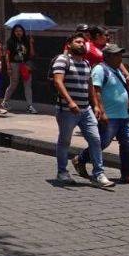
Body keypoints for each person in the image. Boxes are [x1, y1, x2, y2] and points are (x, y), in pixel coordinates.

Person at [73, 44, 129, 186]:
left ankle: (126, 174)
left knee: (126, 145)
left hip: (123, 116)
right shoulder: (100, 69)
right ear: (108, 57)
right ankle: (81, 159)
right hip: (109, 115)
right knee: (103, 142)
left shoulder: (117, 71)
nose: (120, 58)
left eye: (120, 55)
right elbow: (95, 91)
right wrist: (101, 111)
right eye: (117, 55)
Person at [52, 33, 113, 187]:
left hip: (86, 111)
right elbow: (58, 82)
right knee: (65, 141)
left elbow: (90, 86)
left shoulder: (86, 63)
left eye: (83, 42)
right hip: (67, 111)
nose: (81, 44)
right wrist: (70, 102)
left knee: (96, 140)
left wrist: (96, 105)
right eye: (78, 42)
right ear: (69, 44)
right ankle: (62, 172)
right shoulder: (62, 60)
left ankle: (98, 174)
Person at [2, 24, 35, 113]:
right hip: (14, 64)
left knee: (28, 84)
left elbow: (32, 55)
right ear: (14, 32)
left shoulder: (26, 40)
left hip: (25, 64)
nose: (18, 33)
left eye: (20, 31)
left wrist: (31, 44)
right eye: (16, 31)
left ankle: (29, 105)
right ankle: (5, 101)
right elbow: (7, 55)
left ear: (23, 32)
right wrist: (8, 67)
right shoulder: (10, 41)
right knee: (13, 84)